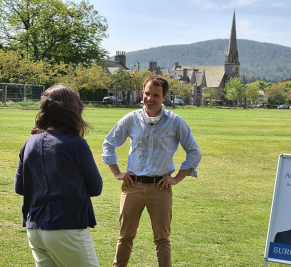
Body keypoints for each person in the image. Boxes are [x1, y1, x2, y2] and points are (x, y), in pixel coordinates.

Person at [102, 75, 202, 267]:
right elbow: (109, 144)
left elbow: (194, 151)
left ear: (165, 97)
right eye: (147, 94)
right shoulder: (131, 119)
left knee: (162, 239)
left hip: (160, 188)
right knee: (125, 237)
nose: (150, 99)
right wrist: (117, 173)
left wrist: (177, 179)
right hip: (132, 187)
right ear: (142, 94)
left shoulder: (174, 122)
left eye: (155, 95)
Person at [15, 84, 103, 266]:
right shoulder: (76, 144)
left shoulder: (29, 142)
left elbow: (19, 187)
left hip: (35, 228)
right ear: (73, 110)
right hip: (67, 227)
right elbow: (95, 188)